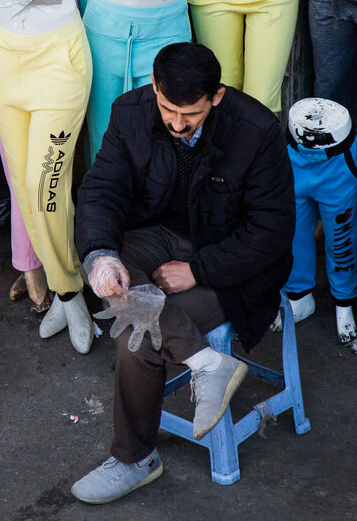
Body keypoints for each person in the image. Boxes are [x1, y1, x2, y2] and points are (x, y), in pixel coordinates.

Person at [70, 42, 295, 504]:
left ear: (217, 97)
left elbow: (271, 232)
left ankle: (135, 460)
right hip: (155, 241)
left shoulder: (255, 131)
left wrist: (198, 269)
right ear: (154, 88)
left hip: (231, 265)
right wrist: (102, 257)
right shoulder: (130, 113)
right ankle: (207, 364)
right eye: (168, 108)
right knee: (107, 269)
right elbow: (101, 192)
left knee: (139, 333)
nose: (176, 123)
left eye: (189, 113)